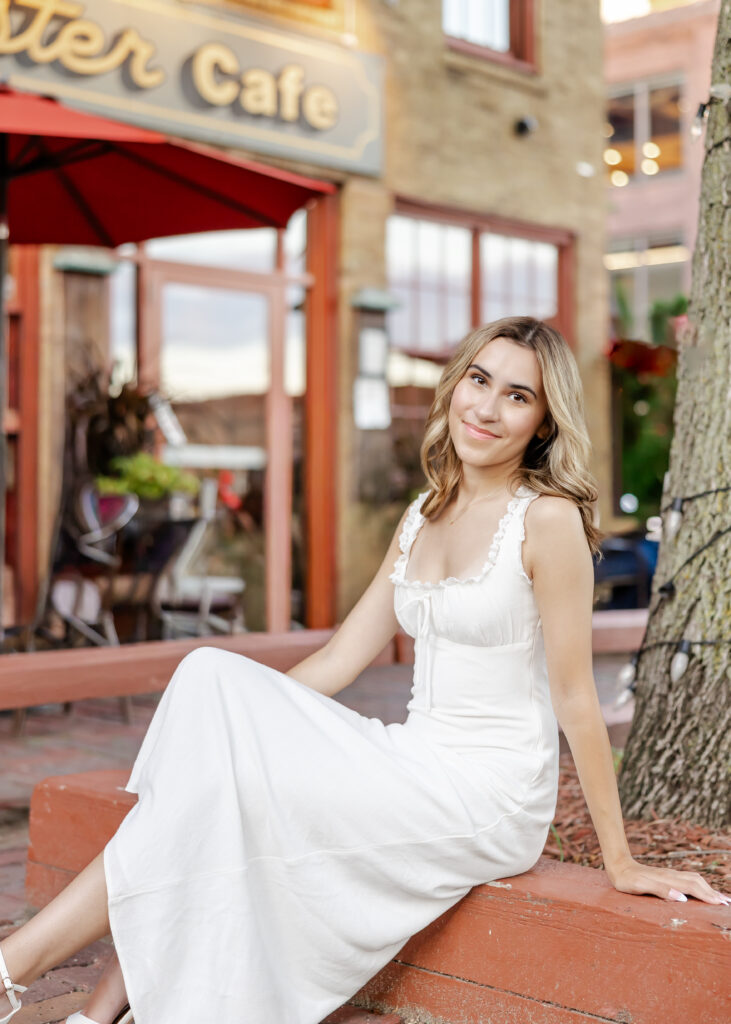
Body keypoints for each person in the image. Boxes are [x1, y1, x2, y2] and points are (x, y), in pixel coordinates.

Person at [1, 317, 727, 1024]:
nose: (487, 406)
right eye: (479, 380)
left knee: (217, 784)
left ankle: (18, 971)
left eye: (517, 395)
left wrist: (621, 860)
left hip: (488, 793)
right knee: (212, 694)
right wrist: (240, 735)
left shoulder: (545, 520)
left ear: (541, 422)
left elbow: (574, 698)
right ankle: (96, 1010)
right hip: (410, 757)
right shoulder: (422, 516)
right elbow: (342, 658)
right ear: (454, 387)